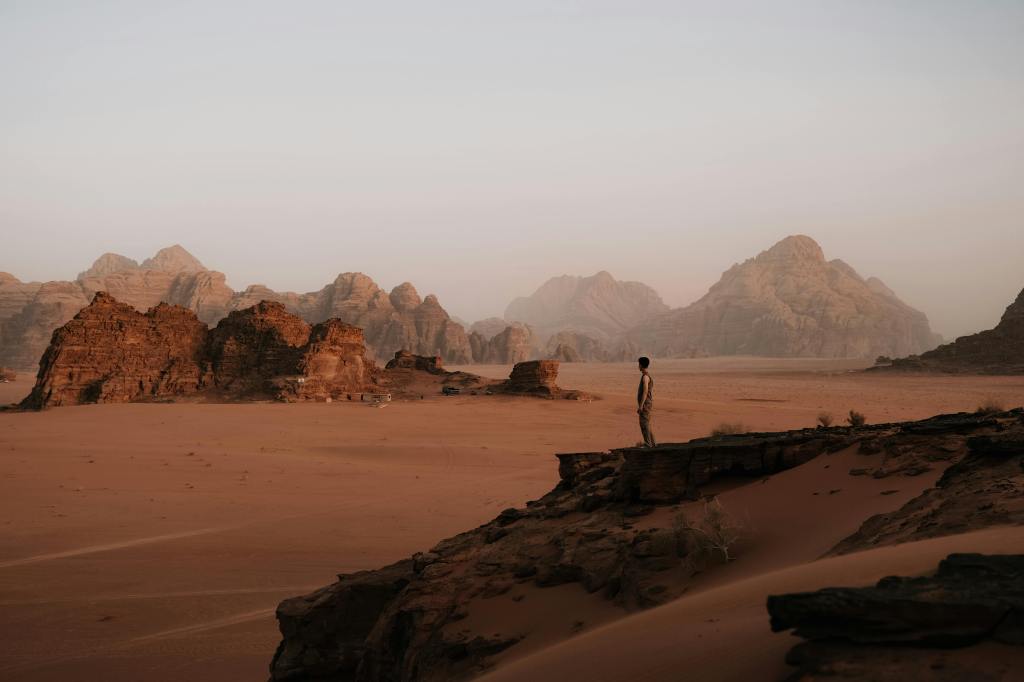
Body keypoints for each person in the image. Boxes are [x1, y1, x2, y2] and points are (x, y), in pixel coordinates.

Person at [637, 356, 655, 447]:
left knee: (644, 423)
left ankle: (648, 444)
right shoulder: (645, 376)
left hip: (645, 404)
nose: (638, 366)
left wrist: (641, 406)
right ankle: (652, 443)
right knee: (646, 423)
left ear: (641, 365)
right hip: (646, 403)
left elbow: (645, 391)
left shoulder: (645, 377)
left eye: (639, 364)